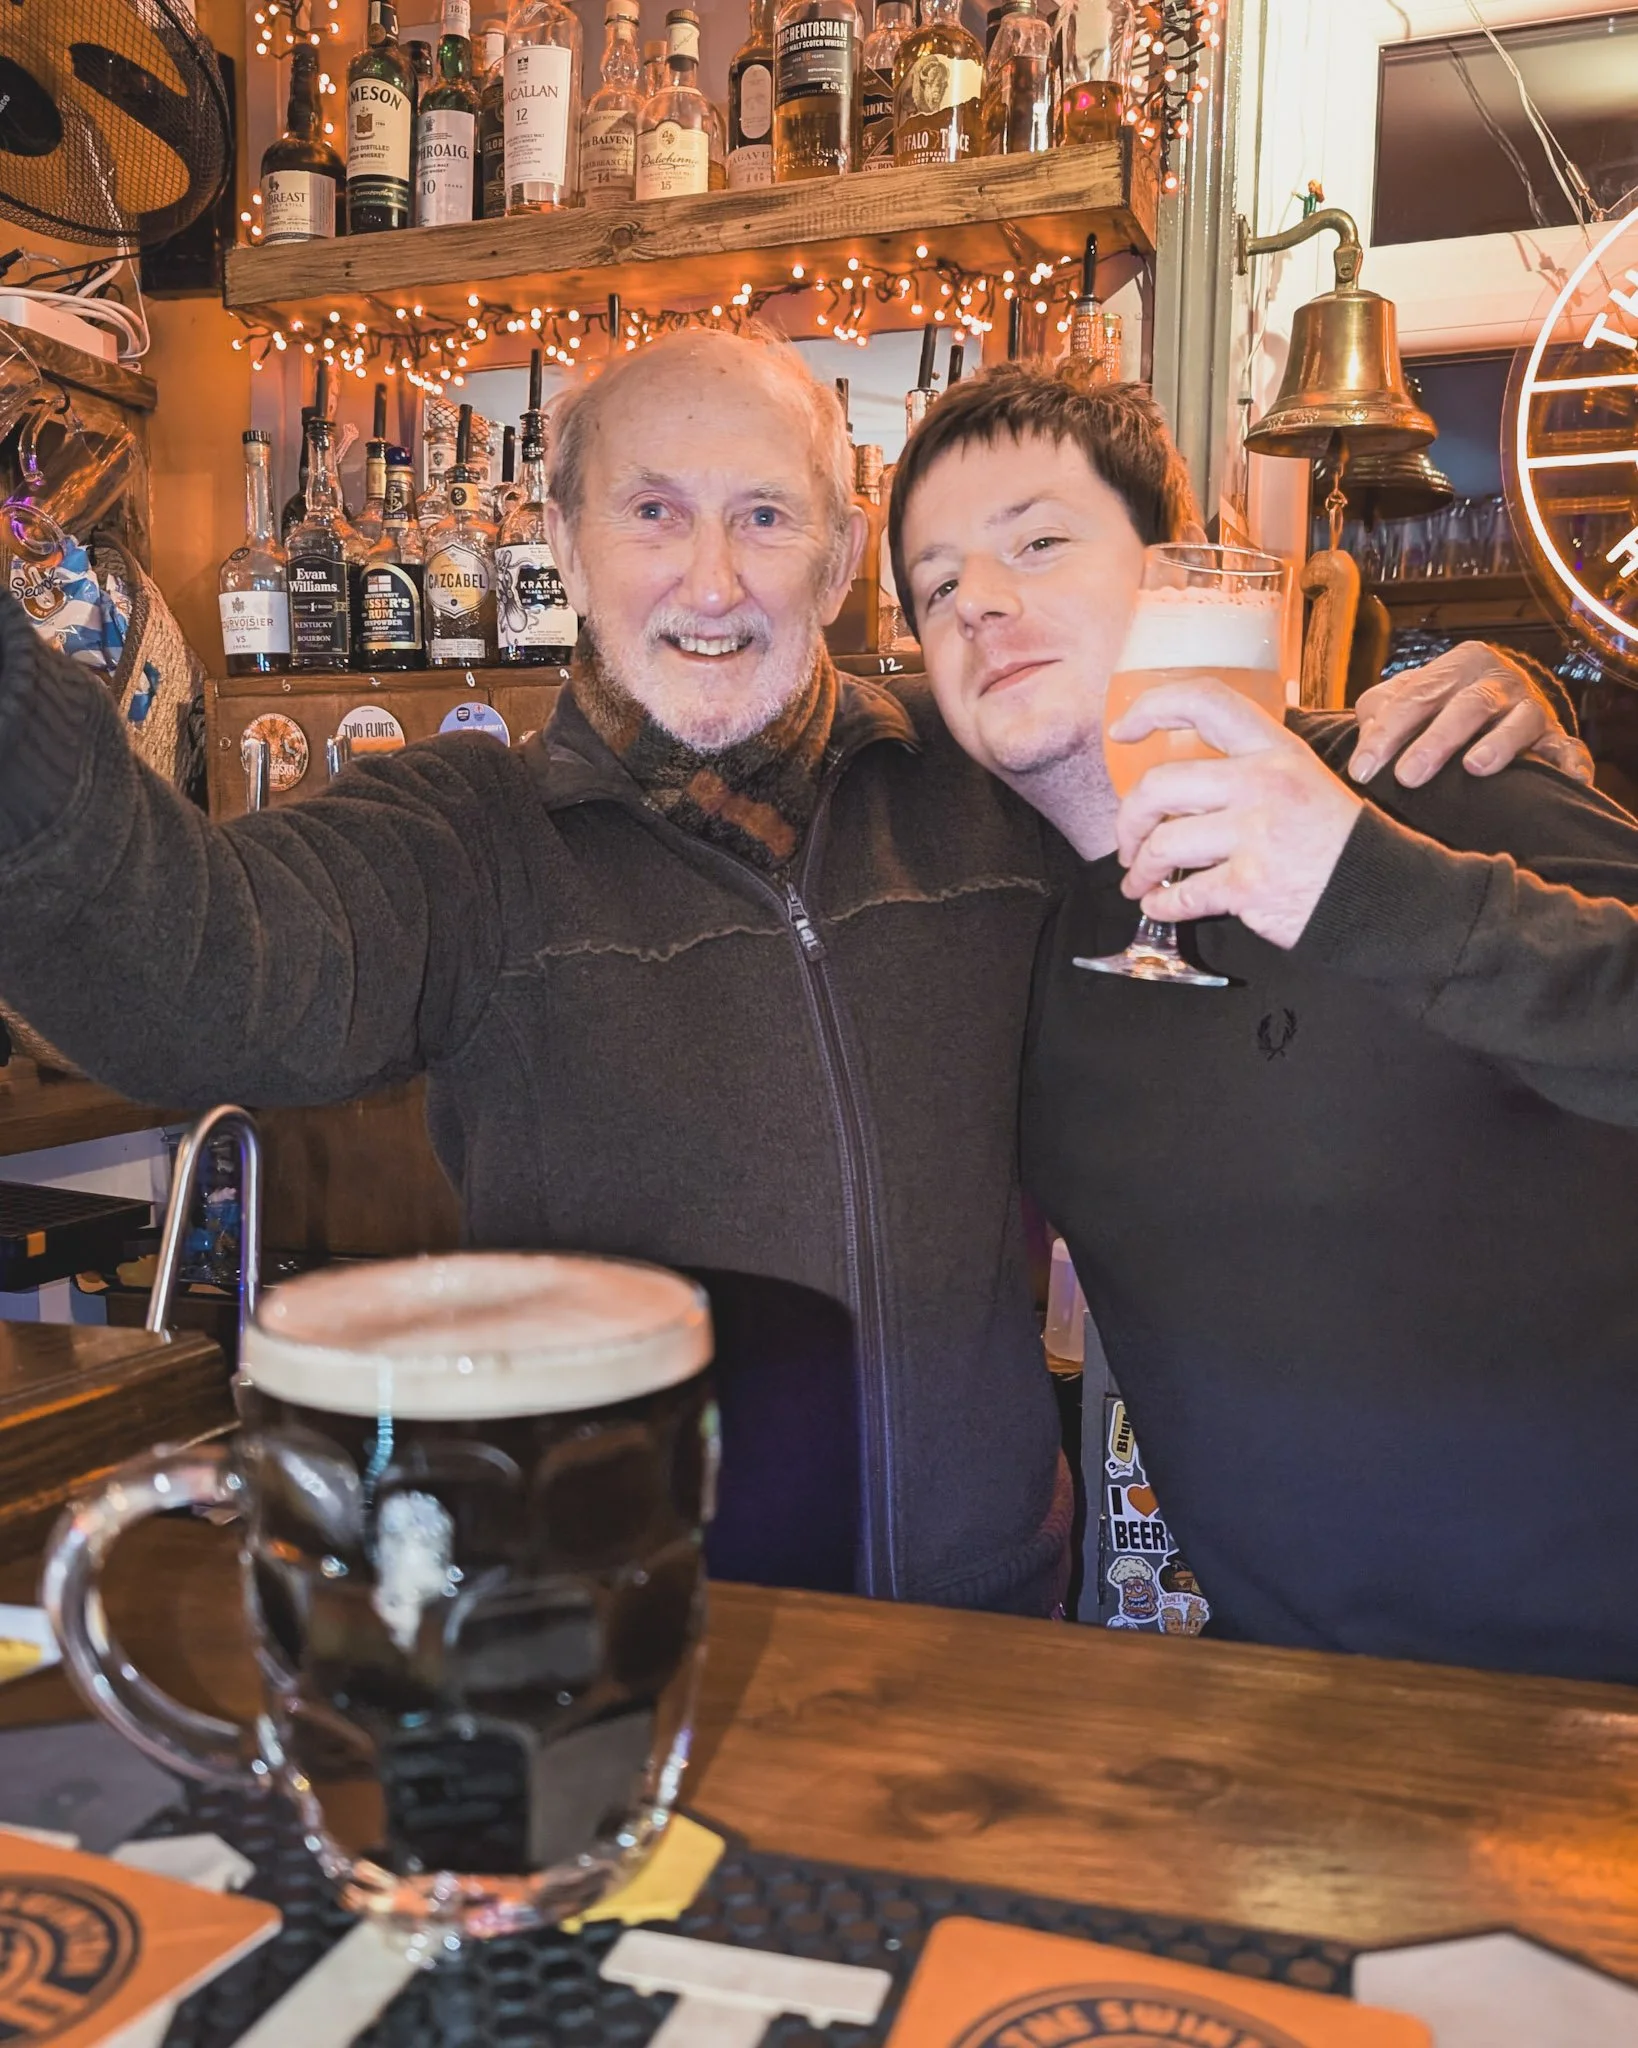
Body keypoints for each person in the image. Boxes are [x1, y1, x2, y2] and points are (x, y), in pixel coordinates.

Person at [0, 332, 1561, 1619]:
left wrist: (1479, 719)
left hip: (991, 1623)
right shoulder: (461, 836)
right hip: (641, 1618)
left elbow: (1227, 782)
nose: (710, 579)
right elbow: (199, 971)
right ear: (563, 546)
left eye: (765, 518)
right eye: (651, 513)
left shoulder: (978, 782)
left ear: (833, 565)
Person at [891, 364, 1638, 1683]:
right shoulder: (1012, 941)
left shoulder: (1430, 783)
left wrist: (1371, 892)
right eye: (935, 584)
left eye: (1039, 541)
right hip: (1300, 1723)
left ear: (1174, 572)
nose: (983, 602)